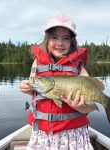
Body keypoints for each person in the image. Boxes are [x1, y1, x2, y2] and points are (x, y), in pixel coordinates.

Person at [19, 13, 94, 150]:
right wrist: (26, 88)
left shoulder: (79, 68)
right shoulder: (37, 63)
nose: (60, 43)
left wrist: (79, 106)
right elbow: (33, 88)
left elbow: (90, 107)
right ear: (47, 39)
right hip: (42, 135)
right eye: (54, 37)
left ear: (72, 42)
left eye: (65, 38)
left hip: (72, 135)